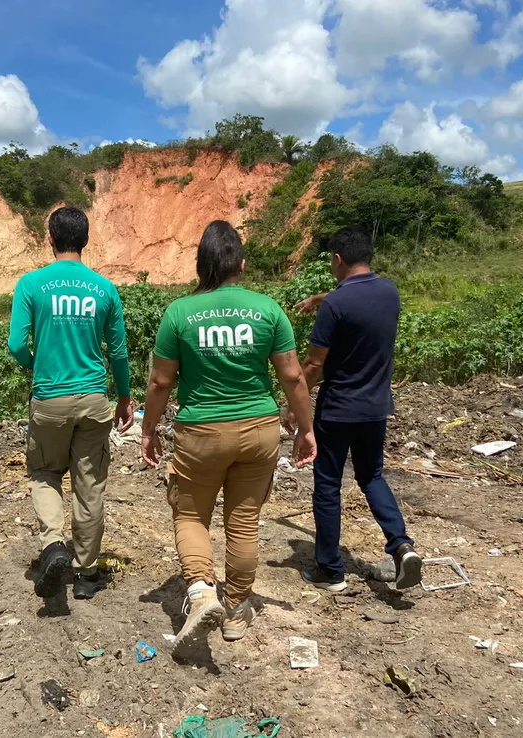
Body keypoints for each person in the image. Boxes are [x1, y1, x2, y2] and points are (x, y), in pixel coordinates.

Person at [141, 221, 316, 650]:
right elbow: (292, 375)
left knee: (190, 514)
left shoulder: (179, 313)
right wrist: (306, 428)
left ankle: (201, 593)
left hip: (201, 433)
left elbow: (161, 383)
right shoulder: (268, 310)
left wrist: (149, 429)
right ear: (240, 262)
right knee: (243, 521)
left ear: (202, 264)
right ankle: (236, 611)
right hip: (259, 431)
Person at [8, 206, 133, 601]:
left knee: (44, 472)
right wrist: (126, 396)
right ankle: (86, 573)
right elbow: (118, 353)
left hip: (49, 399)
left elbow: (16, 344)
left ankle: (53, 545)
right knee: (89, 485)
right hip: (94, 399)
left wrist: (38, 365)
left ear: (50, 239)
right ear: (86, 240)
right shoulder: (104, 289)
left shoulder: (31, 284)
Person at [296, 227, 422, 593]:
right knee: (371, 477)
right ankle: (401, 546)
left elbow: (313, 365)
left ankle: (330, 570)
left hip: (337, 410)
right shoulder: (390, 292)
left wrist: (295, 401)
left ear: (337, 260)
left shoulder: (336, 305)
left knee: (328, 486)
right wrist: (320, 298)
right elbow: (351, 296)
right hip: (376, 409)